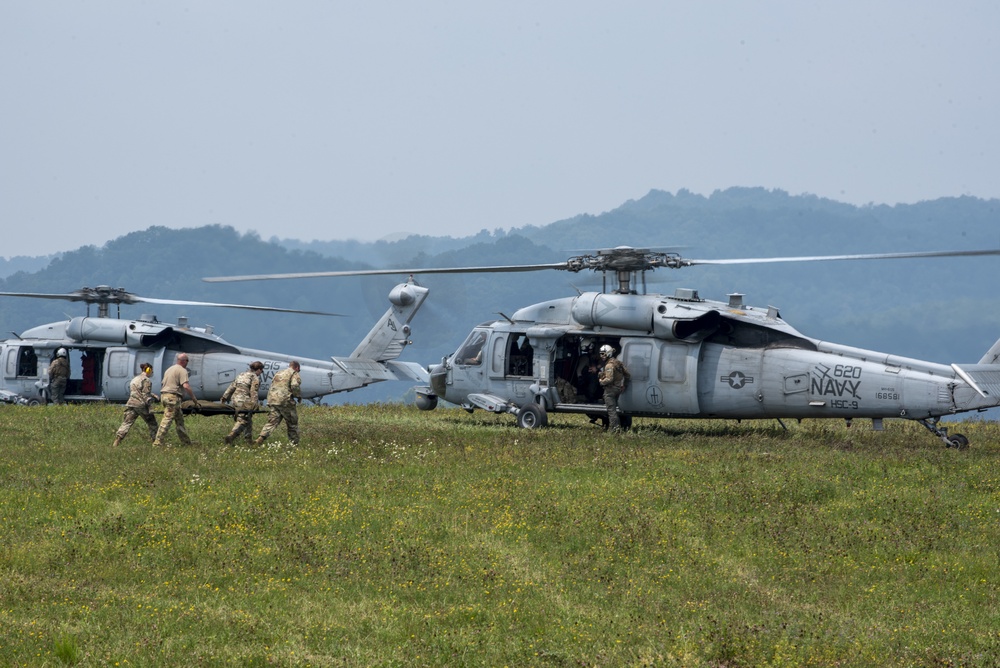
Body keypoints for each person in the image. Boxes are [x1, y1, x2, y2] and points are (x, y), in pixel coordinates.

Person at [153, 352, 200, 447]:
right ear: (184, 361)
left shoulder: (169, 370)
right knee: (167, 420)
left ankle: (186, 443)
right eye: (187, 361)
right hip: (173, 398)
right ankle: (157, 443)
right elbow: (186, 386)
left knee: (180, 421)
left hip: (164, 396)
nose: (187, 363)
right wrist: (194, 399)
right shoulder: (182, 370)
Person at [254, 360, 301, 445]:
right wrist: (298, 396)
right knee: (292, 423)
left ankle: (260, 439)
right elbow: (294, 386)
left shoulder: (279, 373)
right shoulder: (294, 373)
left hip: (273, 400)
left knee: (272, 422)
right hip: (285, 401)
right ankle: (294, 444)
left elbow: (272, 386)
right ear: (297, 367)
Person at [113, 363, 159, 446]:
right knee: (153, 424)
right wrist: (150, 407)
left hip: (131, 404)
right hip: (141, 405)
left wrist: (153, 394)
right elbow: (145, 395)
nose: (152, 372)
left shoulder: (135, 379)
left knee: (126, 423)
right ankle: (156, 443)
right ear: (149, 370)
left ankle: (116, 442)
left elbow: (137, 391)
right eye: (152, 370)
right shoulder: (146, 380)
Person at [221, 361, 264, 444]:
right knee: (244, 420)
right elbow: (253, 392)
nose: (261, 373)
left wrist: (224, 397)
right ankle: (231, 436)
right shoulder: (254, 377)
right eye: (261, 371)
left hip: (235, 399)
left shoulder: (241, 375)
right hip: (244, 400)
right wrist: (254, 404)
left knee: (248, 419)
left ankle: (249, 440)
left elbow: (232, 386)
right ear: (258, 369)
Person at [598, 344, 630, 433]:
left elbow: (609, 379)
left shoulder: (609, 366)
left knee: (611, 411)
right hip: (618, 389)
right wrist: (624, 385)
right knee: (614, 410)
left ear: (608, 354)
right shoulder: (618, 363)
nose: (602, 356)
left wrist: (601, 381)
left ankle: (614, 429)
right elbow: (627, 375)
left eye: (603, 354)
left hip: (610, 390)